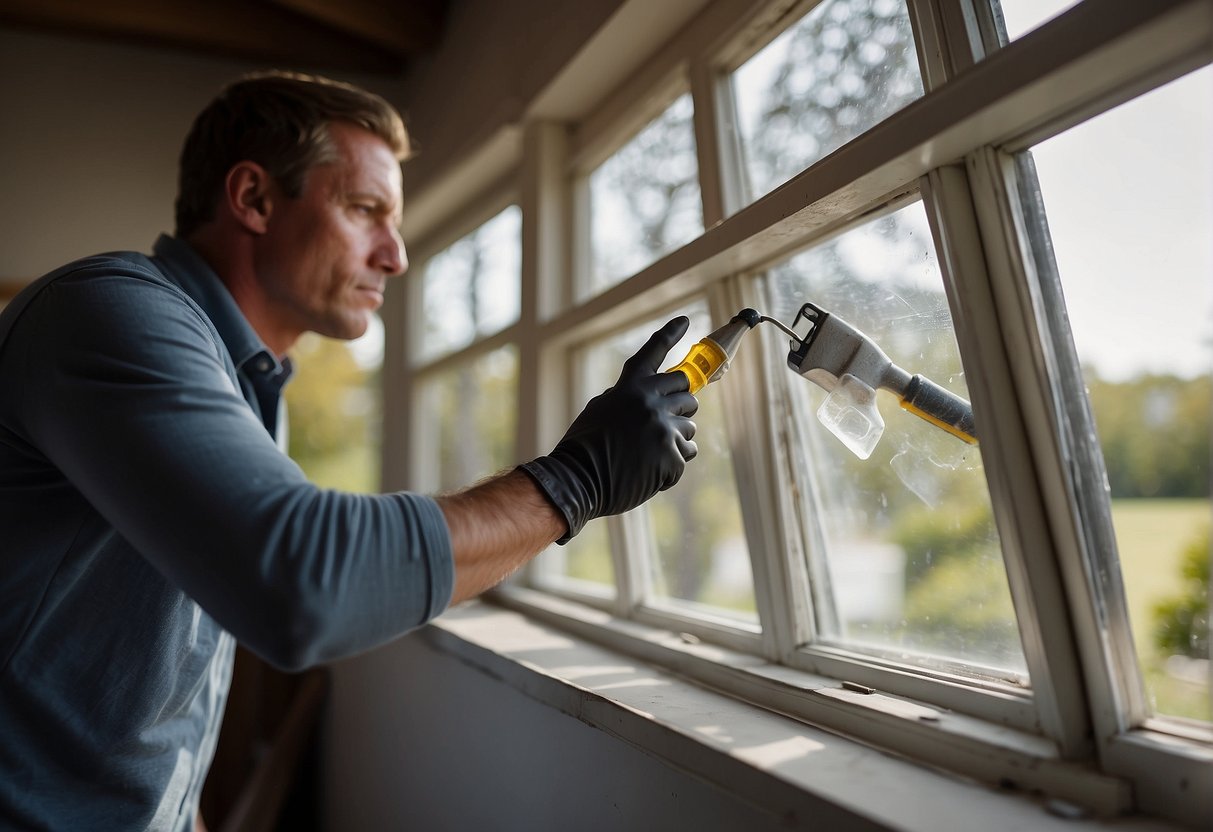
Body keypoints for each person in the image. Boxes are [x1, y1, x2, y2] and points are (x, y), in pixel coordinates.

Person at [0, 71, 698, 831]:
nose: (395, 255)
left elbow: (156, 672)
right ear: (254, 199)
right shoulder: (110, 312)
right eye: (365, 210)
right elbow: (299, 583)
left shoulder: (244, 381)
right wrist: (572, 482)